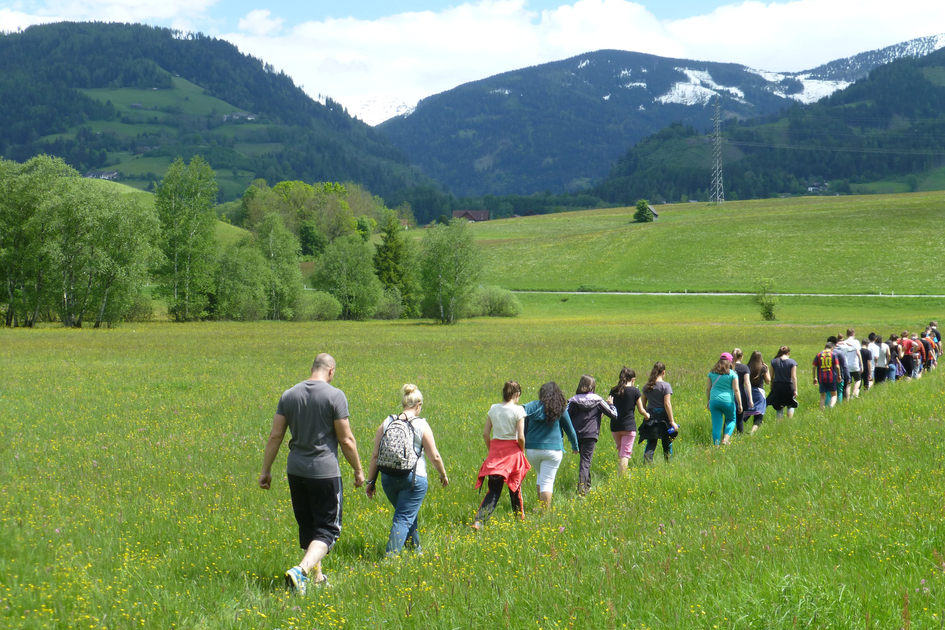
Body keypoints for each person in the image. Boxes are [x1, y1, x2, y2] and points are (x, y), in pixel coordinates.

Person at [259, 353, 365, 595]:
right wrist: (358, 470)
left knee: (310, 528)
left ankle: (316, 578)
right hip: (324, 472)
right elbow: (346, 439)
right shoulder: (335, 395)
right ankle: (302, 570)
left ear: (312, 368)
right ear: (331, 371)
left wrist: (266, 470)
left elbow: (276, 436)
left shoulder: (289, 394)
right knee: (328, 530)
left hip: (296, 471)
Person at [365, 384, 449, 555]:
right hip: (413, 480)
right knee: (404, 517)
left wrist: (371, 481)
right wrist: (443, 474)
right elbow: (435, 457)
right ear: (418, 405)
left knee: (407, 514)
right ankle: (390, 558)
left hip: (387, 478)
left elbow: (375, 455)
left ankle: (415, 551)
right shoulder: (421, 424)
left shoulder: (387, 421)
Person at [472, 381, 531, 529]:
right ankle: (519, 520)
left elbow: (486, 433)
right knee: (515, 488)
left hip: (495, 452)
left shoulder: (493, 408)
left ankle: (479, 522)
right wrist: (521, 451)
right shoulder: (518, 411)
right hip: (512, 453)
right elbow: (521, 437)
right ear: (517, 394)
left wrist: (491, 449)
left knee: (493, 490)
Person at [523, 382, 579, 508]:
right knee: (547, 481)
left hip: (532, 450)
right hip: (553, 450)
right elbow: (570, 430)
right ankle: (545, 514)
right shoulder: (559, 408)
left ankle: (541, 508)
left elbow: (522, 425)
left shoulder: (530, 406)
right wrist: (575, 446)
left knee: (541, 476)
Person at [567, 375, 617, 495]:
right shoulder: (598, 400)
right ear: (593, 386)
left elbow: (566, 417)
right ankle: (582, 490)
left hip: (577, 434)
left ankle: (587, 486)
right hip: (591, 434)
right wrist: (611, 404)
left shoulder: (573, 400)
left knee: (584, 460)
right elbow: (614, 415)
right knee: (585, 461)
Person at [608, 368, 650, 475]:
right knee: (625, 454)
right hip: (628, 426)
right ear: (633, 379)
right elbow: (641, 410)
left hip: (615, 426)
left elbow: (608, 406)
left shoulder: (613, 390)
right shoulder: (635, 391)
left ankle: (620, 473)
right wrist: (647, 415)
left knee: (620, 450)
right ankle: (622, 478)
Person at [638, 362, 679, 463]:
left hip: (651, 418)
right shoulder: (666, 386)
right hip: (664, 419)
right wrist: (672, 421)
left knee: (651, 443)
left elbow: (643, 404)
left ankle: (646, 465)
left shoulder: (647, 386)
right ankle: (669, 464)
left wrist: (646, 414)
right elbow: (667, 404)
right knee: (667, 443)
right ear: (663, 372)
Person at [706, 352, 741, 445]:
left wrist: (708, 401)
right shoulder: (733, 374)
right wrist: (740, 404)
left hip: (714, 400)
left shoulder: (711, 373)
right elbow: (736, 390)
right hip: (727, 401)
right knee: (731, 420)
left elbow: (708, 389)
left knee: (716, 425)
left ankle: (716, 446)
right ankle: (725, 439)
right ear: (730, 362)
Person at [767, 346, 798, 419]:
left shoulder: (774, 361)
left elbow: (771, 376)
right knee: (790, 404)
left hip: (777, 386)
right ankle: (789, 422)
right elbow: (793, 376)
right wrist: (795, 390)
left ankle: (779, 425)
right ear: (788, 353)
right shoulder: (792, 362)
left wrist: (772, 385)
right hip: (788, 385)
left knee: (779, 406)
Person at [745, 351, 771, 434]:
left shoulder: (747, 367)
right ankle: (752, 431)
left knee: (746, 413)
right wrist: (767, 370)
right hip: (759, 393)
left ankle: (738, 428)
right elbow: (768, 381)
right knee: (759, 415)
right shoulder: (762, 368)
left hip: (748, 392)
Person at [813, 342, 840, 409]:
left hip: (821, 378)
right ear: (832, 348)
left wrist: (814, 377)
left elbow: (813, 366)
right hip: (831, 377)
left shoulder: (819, 354)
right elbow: (837, 366)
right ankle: (831, 406)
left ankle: (822, 411)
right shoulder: (833, 354)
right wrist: (839, 375)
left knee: (822, 396)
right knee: (834, 395)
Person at [731, 349, 752, 435]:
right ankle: (740, 436)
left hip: (730, 393)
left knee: (728, 418)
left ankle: (726, 436)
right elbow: (747, 383)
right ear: (741, 357)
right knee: (739, 418)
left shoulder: (728, 367)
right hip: (741, 393)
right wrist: (750, 399)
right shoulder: (745, 368)